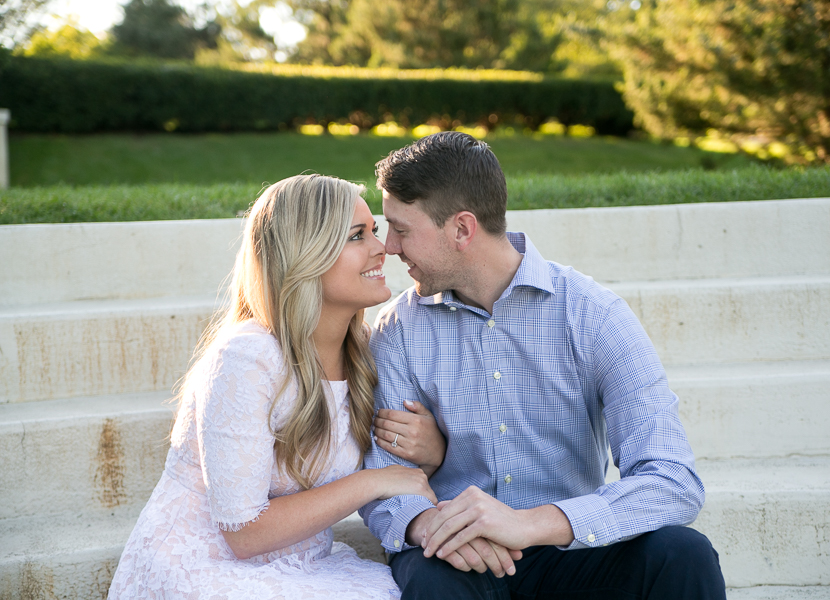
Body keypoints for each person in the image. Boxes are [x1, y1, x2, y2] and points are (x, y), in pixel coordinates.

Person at [362, 132, 727, 599]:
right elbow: (383, 479)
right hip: (461, 560)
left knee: (684, 554)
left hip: (570, 550)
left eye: (402, 229)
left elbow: (673, 481)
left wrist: (529, 524)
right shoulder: (398, 329)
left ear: (461, 229)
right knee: (431, 581)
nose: (389, 246)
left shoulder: (592, 314)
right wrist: (428, 524)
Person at [108, 174, 446, 600]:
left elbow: (399, 479)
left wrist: (431, 454)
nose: (383, 248)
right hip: (207, 569)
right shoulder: (247, 358)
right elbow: (244, 533)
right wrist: (372, 482)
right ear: (305, 256)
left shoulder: (365, 351)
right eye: (357, 236)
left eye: (374, 231)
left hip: (303, 564)